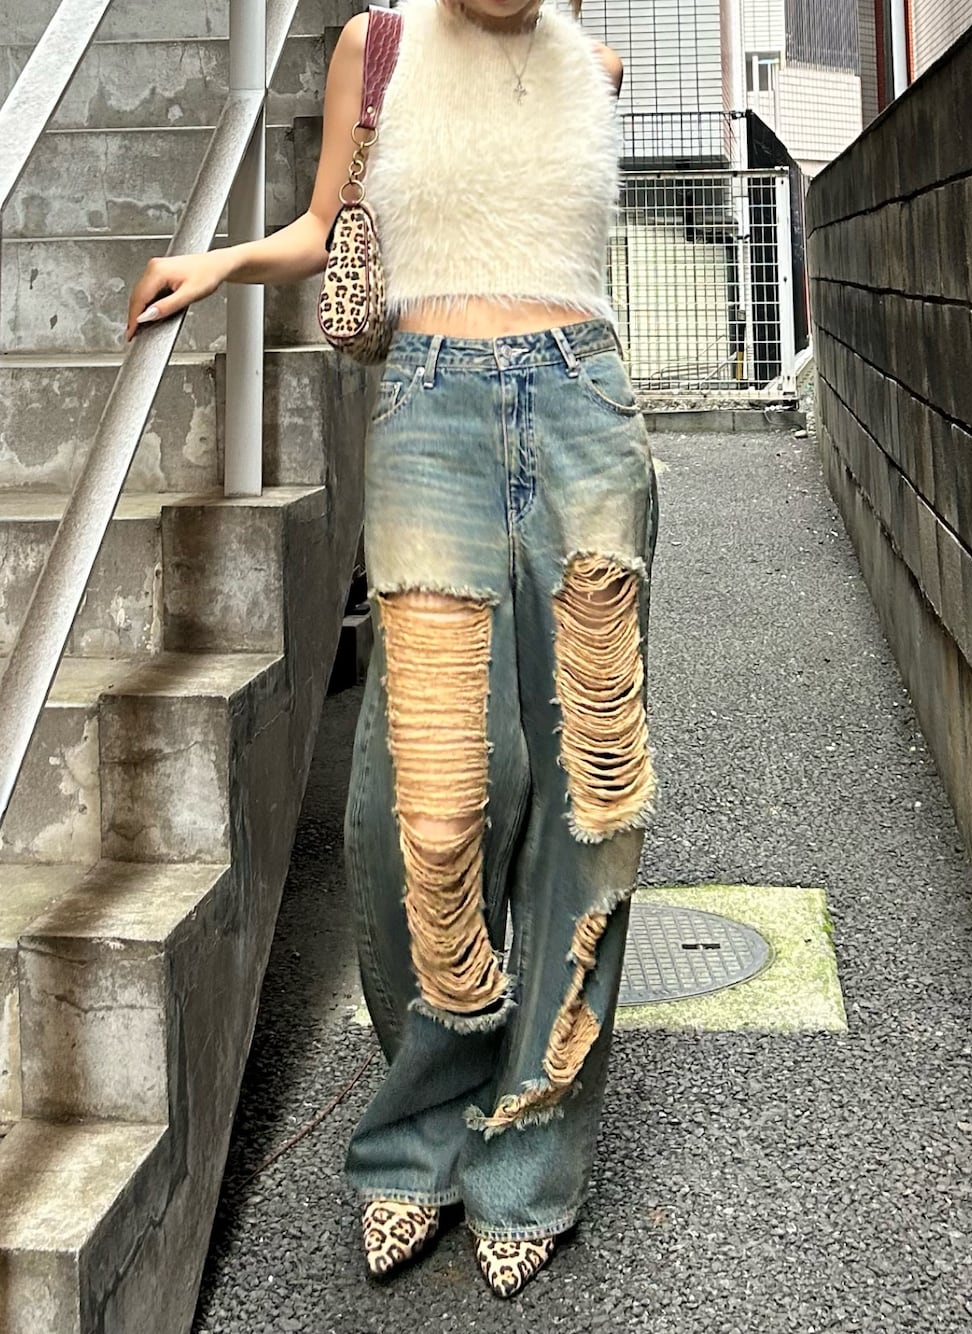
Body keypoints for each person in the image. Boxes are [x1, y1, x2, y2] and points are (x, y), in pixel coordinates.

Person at [127, 0, 658, 1300]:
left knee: (588, 795)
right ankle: (422, 1130)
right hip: (431, 410)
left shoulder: (594, 68)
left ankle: (529, 1156)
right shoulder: (379, 49)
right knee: (420, 808)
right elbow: (326, 228)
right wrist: (217, 264)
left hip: (585, 411)